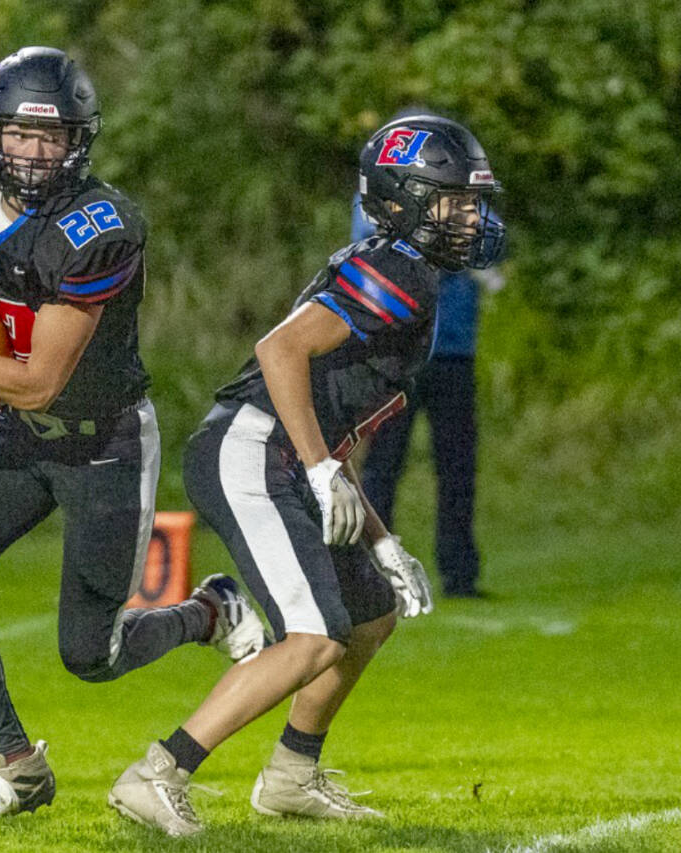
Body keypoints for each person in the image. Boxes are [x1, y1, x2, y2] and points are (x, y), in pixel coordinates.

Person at [0, 46, 266, 819]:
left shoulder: (95, 226)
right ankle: (17, 765)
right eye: (19, 133)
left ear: (79, 141)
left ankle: (208, 611)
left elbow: (38, 380)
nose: (33, 152)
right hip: (18, 432)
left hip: (101, 441)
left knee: (92, 654)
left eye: (51, 137)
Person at [107, 115, 505, 835]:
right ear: (406, 201)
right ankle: (158, 771)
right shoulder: (398, 271)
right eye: (455, 201)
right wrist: (320, 468)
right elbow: (280, 351)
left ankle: (292, 773)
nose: (472, 218)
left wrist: (380, 539)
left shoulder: (405, 270)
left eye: (473, 203)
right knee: (315, 634)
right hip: (251, 451)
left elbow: (332, 422)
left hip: (282, 455)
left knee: (370, 613)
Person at [353, 170, 505, 598]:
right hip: (398, 351)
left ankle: (460, 574)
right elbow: (375, 243)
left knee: (457, 467)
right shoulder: (382, 192)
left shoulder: (461, 195)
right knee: (383, 465)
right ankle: (372, 571)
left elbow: (490, 237)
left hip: (453, 352)